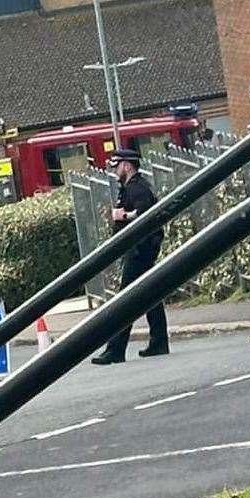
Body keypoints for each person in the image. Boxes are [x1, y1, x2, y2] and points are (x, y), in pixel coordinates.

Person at [92, 149, 169, 365]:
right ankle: (159, 341)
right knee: (150, 294)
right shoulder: (129, 187)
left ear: (127, 165)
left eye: (117, 166)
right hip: (138, 248)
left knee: (124, 300)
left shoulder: (137, 188)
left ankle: (115, 350)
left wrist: (124, 215)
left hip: (140, 249)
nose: (115, 171)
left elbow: (146, 211)